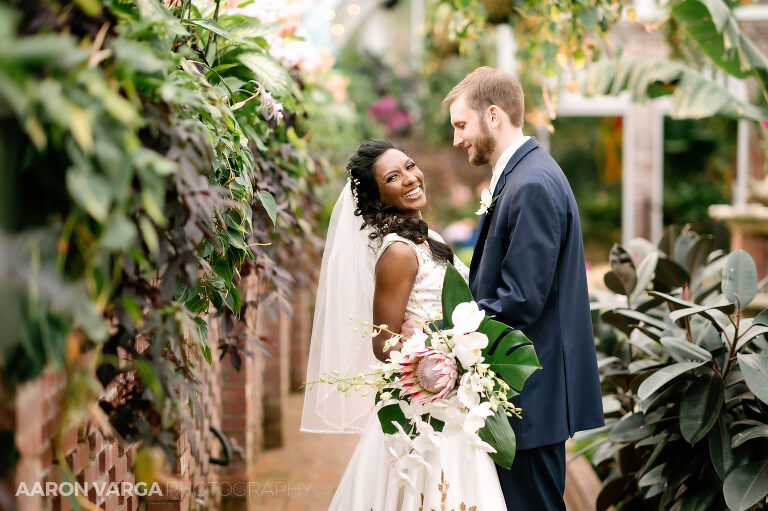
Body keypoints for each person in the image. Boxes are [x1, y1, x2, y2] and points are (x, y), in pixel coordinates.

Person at [425, 66, 604, 509]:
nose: (456, 139)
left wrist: (445, 335)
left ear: (493, 115)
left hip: (531, 391)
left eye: (461, 125)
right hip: (524, 387)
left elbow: (521, 300)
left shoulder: (532, 185)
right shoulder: (521, 176)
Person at [301, 139, 507, 510]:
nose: (411, 178)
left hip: (454, 402)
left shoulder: (429, 238)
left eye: (410, 166)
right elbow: (383, 344)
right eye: (394, 177)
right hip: (427, 409)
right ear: (379, 197)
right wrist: (436, 352)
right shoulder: (398, 251)